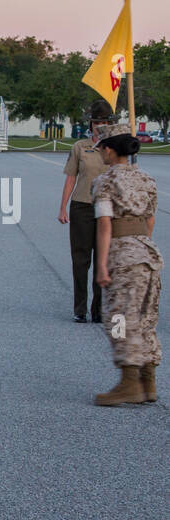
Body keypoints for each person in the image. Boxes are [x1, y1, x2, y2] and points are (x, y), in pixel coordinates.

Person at [92, 133, 161, 405]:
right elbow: (150, 220)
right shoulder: (146, 180)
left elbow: (105, 224)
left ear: (109, 151)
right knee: (145, 316)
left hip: (122, 254)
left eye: (101, 149)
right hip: (147, 252)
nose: (100, 153)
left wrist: (101, 265)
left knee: (118, 318)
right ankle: (148, 380)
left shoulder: (105, 181)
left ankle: (129, 380)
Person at [59, 101, 122, 322]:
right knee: (80, 259)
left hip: (107, 209)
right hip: (82, 205)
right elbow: (71, 178)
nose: (100, 126)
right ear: (91, 124)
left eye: (104, 122)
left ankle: (98, 309)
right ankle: (80, 309)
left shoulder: (115, 149)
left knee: (102, 259)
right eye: (97, 122)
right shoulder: (80, 147)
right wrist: (63, 207)